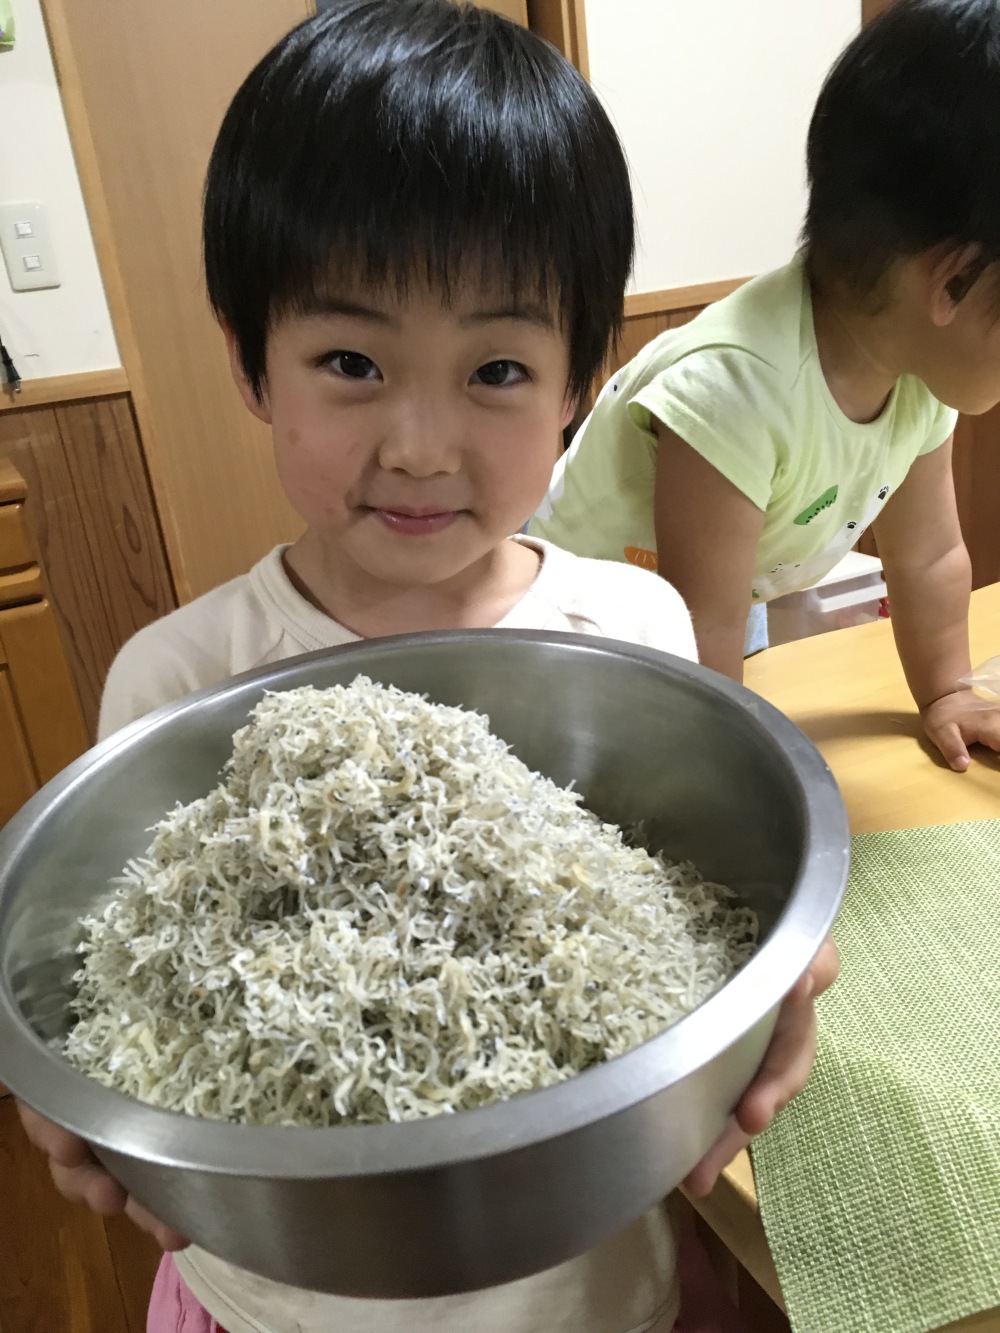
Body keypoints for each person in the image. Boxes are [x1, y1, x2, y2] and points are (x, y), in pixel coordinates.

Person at [16, 4, 837, 1330]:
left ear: (584, 381)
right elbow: (109, 993)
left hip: (590, 1287)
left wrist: (764, 995)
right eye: (349, 361)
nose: (416, 443)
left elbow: (721, 907)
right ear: (247, 360)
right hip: (271, 1293)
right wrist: (77, 1097)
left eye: (497, 369)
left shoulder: (631, 631)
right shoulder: (177, 684)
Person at [531, 0, 1000, 774]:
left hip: (705, 603)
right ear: (949, 284)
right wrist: (718, 777)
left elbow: (931, 557)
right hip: (574, 619)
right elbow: (697, 624)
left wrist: (948, 690)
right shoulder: (737, 390)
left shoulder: (918, 380)